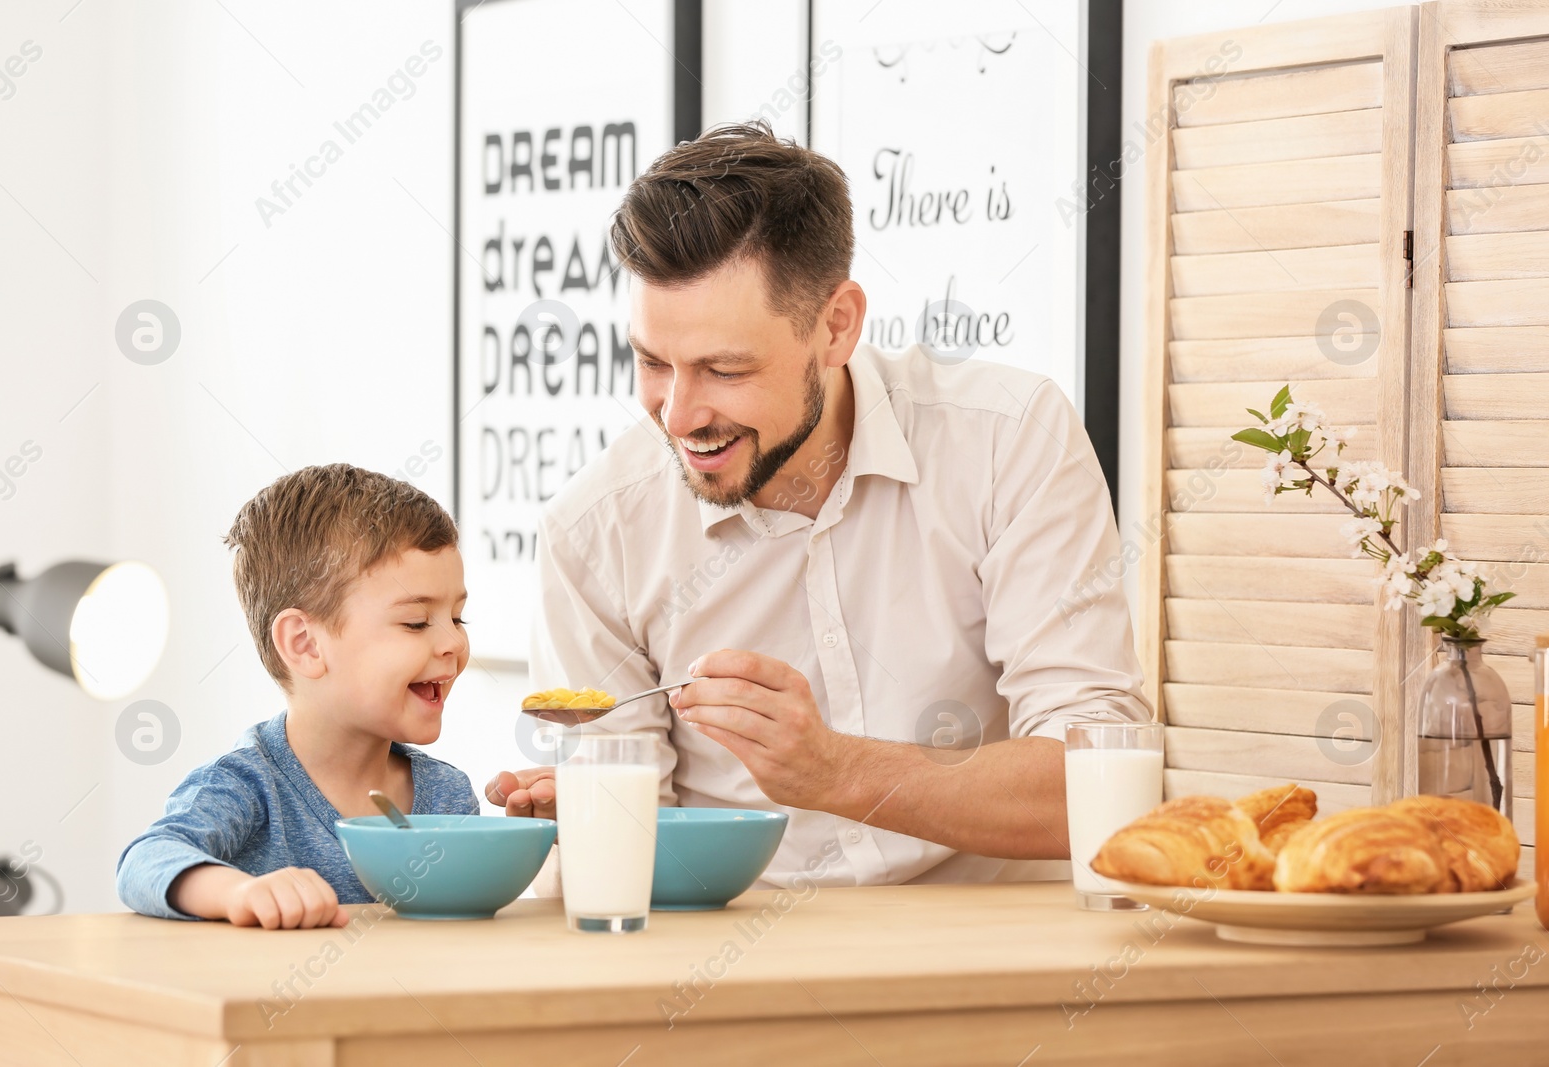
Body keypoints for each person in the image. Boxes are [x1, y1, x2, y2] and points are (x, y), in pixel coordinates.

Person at [487, 121, 1149, 886]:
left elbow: (1104, 788)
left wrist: (837, 771)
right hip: (735, 988)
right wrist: (602, 818)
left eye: (724, 369)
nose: (677, 415)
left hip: (1001, 979)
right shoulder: (595, 532)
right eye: (652, 362)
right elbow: (632, 883)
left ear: (836, 326)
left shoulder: (1008, 441)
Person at [117, 464, 476, 927]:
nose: (453, 642)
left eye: (458, 617)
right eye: (415, 622)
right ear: (305, 644)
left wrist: (553, 825)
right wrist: (239, 893)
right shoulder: (250, 786)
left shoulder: (449, 798)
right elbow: (145, 861)